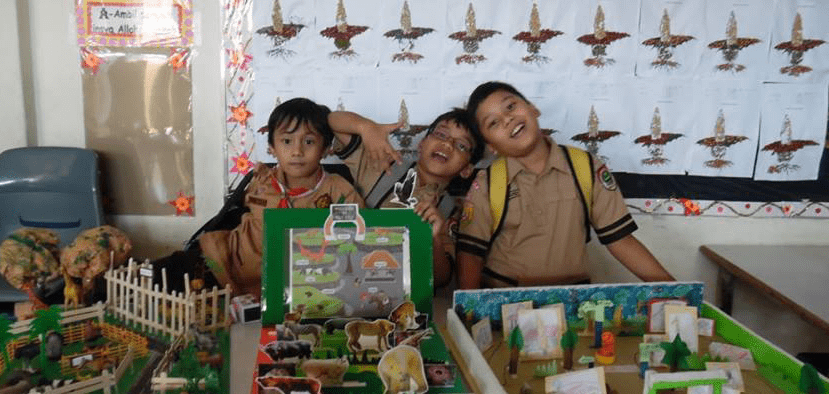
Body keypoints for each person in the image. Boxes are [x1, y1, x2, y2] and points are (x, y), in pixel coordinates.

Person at [457, 81, 674, 289]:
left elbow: (620, 240)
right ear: (491, 146)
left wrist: (676, 291)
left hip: (574, 302)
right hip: (505, 301)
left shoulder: (585, 166)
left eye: (510, 106)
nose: (507, 119)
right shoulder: (488, 183)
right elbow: (470, 254)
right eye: (493, 123)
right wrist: (469, 310)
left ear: (533, 108)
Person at [198, 98, 365, 297]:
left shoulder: (339, 191)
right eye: (286, 141)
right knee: (172, 273)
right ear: (272, 147)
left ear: (325, 149)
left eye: (309, 142)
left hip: (302, 287)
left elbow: (359, 237)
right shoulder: (261, 181)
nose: (297, 151)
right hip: (225, 267)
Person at [328, 108, 485, 288]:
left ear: (467, 170)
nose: (447, 144)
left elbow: (441, 279)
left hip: (408, 293)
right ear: (422, 143)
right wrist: (366, 128)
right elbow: (333, 120)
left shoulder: (453, 212)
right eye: (441, 134)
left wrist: (433, 239)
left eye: (461, 145)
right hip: (354, 280)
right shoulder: (384, 165)